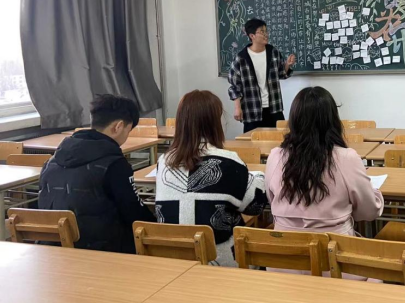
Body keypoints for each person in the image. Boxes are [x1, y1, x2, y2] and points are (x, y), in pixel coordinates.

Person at [155, 90, 267, 266]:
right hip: (219, 263)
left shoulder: (164, 161)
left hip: (173, 261)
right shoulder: (228, 161)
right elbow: (255, 206)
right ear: (214, 123)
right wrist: (259, 177)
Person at [38, 95, 155, 253]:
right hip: (102, 250)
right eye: (128, 130)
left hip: (53, 250)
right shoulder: (114, 164)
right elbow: (133, 212)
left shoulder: (51, 162)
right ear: (118, 126)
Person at [265, 86, 384, 238]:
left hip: (284, 249)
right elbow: (368, 212)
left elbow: (272, 201)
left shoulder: (275, 156)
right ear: (333, 120)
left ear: (293, 120)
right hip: (333, 248)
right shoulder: (347, 158)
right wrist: (374, 192)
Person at [228, 18, 297, 133]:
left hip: (274, 107)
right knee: (252, 141)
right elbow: (235, 86)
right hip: (252, 109)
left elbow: (281, 73)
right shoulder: (241, 58)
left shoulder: (273, 52)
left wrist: (287, 65)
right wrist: (237, 108)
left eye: (266, 31)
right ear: (252, 36)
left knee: (281, 139)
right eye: (262, 32)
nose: (266, 34)